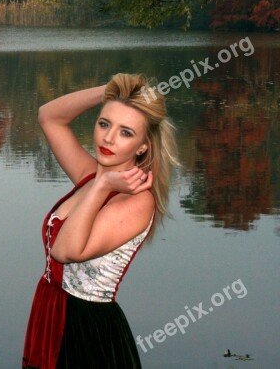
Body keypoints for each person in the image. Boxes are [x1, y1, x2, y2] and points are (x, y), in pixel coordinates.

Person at [22, 73, 179, 368]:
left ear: (143, 146)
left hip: (87, 330)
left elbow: (64, 251)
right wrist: (109, 92)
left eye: (126, 132)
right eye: (104, 123)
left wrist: (102, 187)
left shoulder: (137, 200)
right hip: (51, 311)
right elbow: (49, 117)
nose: (108, 138)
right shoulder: (91, 175)